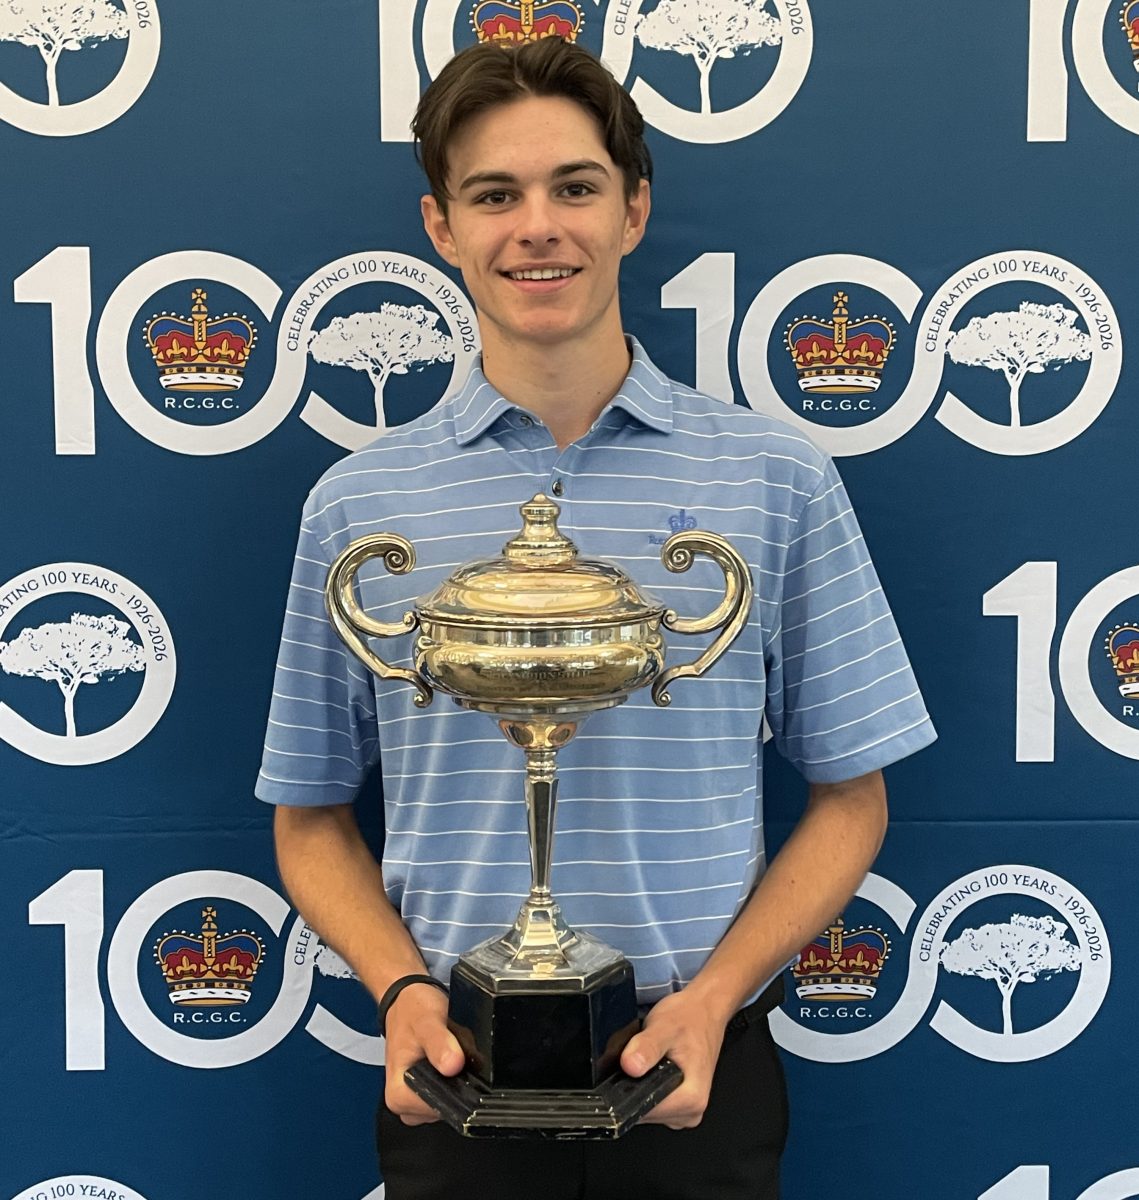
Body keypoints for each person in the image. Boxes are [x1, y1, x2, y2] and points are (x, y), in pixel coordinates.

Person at [256, 35, 936, 1200]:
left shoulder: (773, 478)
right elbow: (309, 817)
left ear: (632, 209)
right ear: (440, 227)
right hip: (451, 1075)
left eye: (574, 187)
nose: (537, 227)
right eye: (494, 195)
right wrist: (403, 992)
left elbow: (852, 796)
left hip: (699, 1071)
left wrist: (714, 1002)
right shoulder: (359, 502)